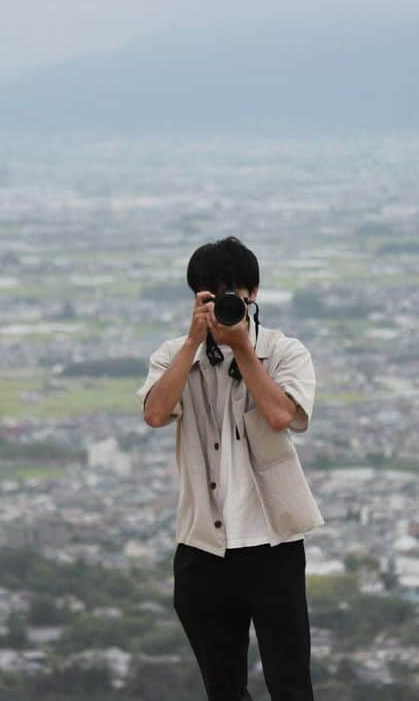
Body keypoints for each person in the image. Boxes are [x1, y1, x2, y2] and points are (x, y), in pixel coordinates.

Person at [136, 236, 324, 701]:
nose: (222, 305)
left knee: (292, 686)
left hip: (272, 544)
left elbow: (283, 416)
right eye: (209, 296)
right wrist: (194, 343)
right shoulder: (174, 355)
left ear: (253, 294)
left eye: (230, 295)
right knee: (222, 690)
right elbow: (156, 413)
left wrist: (242, 347)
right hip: (203, 548)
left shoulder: (283, 352)